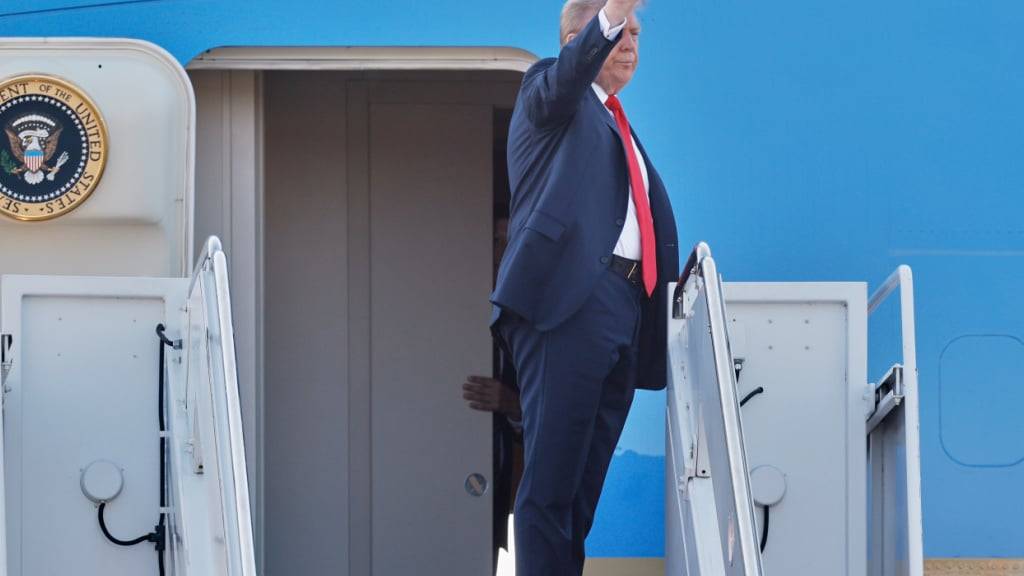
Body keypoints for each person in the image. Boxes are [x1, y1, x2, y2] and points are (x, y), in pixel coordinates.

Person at [489, 0, 679, 574]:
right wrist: (613, 10)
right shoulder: (550, 91)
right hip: (568, 306)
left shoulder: (618, 124)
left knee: (579, 494)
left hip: (624, 311)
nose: (631, 43)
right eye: (621, 31)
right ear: (578, 41)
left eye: (637, 33)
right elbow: (568, 76)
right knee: (549, 486)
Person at [462, 211, 524, 574]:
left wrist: (512, 404)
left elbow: (551, 417)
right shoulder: (447, 308)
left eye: (509, 242)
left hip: (493, 490)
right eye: (495, 241)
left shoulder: (530, 320)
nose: (500, 253)